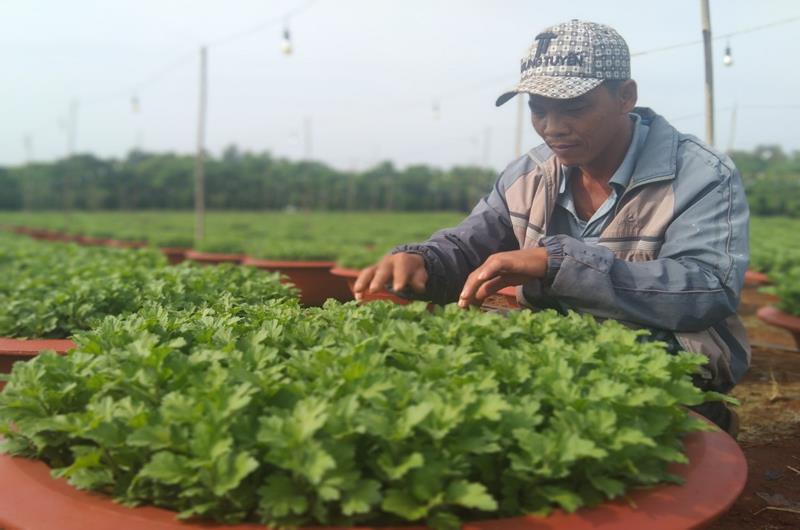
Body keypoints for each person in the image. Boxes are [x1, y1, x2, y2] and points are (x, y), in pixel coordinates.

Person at [353, 19, 749, 435]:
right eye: (538, 109)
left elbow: (708, 289)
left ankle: (706, 422)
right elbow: (470, 244)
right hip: (556, 345)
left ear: (625, 96)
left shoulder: (700, 174)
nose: (552, 127)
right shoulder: (528, 174)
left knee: (621, 397)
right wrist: (424, 261)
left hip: (663, 347)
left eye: (574, 108)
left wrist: (558, 264)